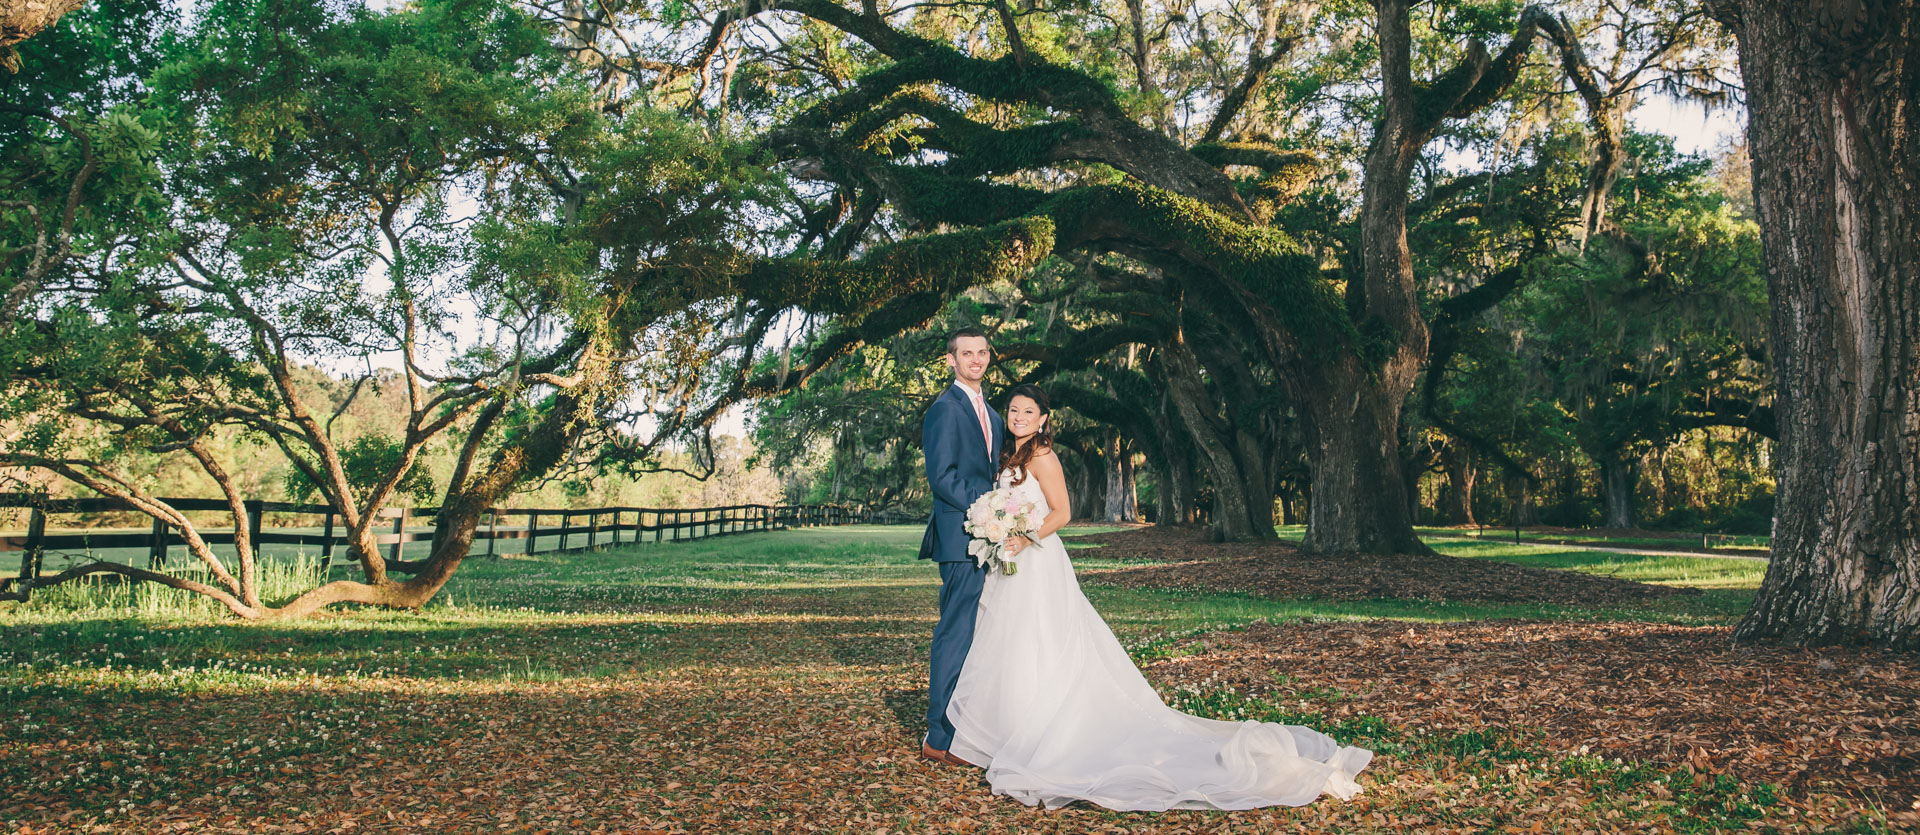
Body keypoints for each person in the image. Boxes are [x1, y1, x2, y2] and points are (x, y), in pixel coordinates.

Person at [944, 384, 1372, 811]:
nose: (1019, 416)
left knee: (1042, 642)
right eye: (1014, 409)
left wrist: (1024, 535)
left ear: (1043, 420)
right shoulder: (1009, 455)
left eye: (1028, 411)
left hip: (1037, 560)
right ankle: (1012, 730)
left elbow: (1063, 513)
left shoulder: (1042, 456)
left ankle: (1043, 736)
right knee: (1015, 645)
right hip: (1013, 563)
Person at [917, 327, 1001, 767]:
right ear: (951, 360)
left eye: (982, 352)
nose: (975, 359)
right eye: (966, 353)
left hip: (993, 538)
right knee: (955, 632)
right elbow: (943, 477)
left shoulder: (994, 414)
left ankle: (971, 726)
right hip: (960, 539)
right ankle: (939, 735)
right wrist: (991, 508)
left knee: (983, 634)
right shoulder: (944, 410)